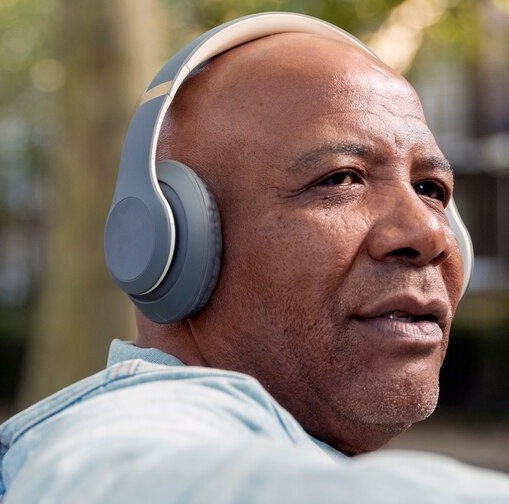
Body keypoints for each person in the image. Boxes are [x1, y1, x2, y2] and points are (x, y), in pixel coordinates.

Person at [0, 11, 507, 503]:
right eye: (340, 179)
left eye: (431, 188)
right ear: (173, 242)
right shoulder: (129, 431)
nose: (428, 232)